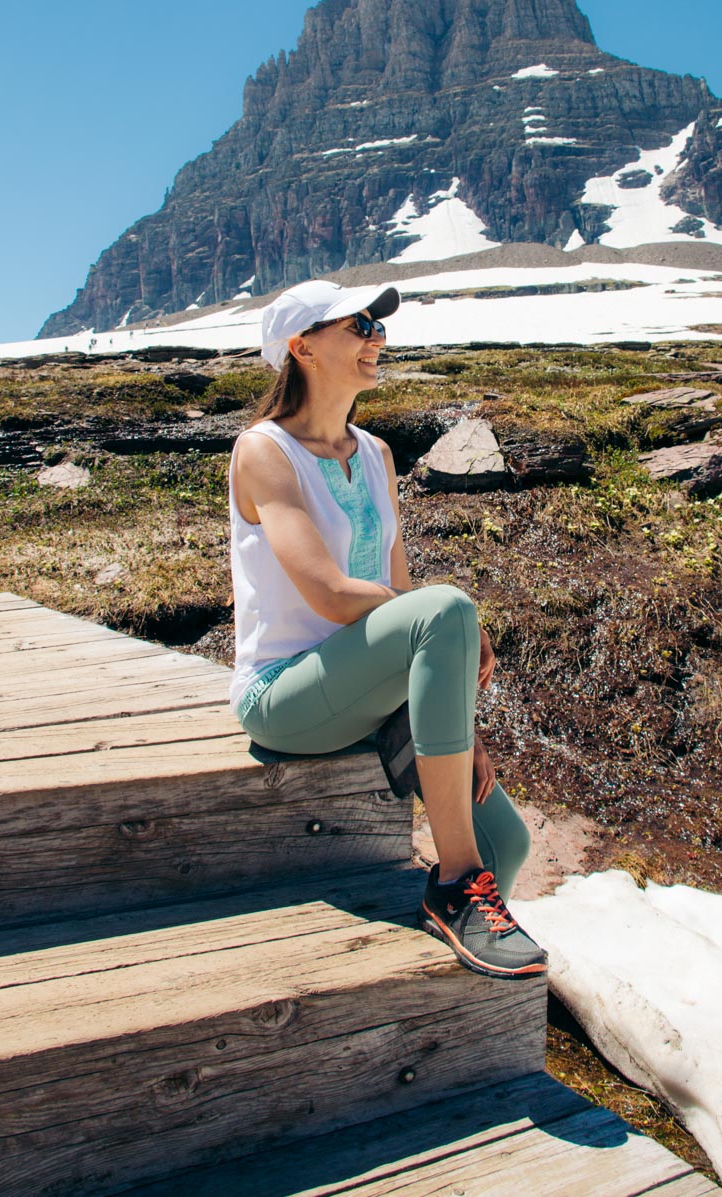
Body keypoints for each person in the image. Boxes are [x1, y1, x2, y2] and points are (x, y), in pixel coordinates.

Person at [228, 278, 547, 980]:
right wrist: (449, 616)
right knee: (446, 607)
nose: (378, 337)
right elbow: (335, 596)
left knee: (512, 841)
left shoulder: (375, 454)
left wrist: (461, 728)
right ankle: (456, 886)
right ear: (301, 346)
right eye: (360, 325)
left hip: (370, 687)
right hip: (286, 694)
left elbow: (401, 600)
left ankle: (471, 960)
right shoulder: (264, 451)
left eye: (380, 326)